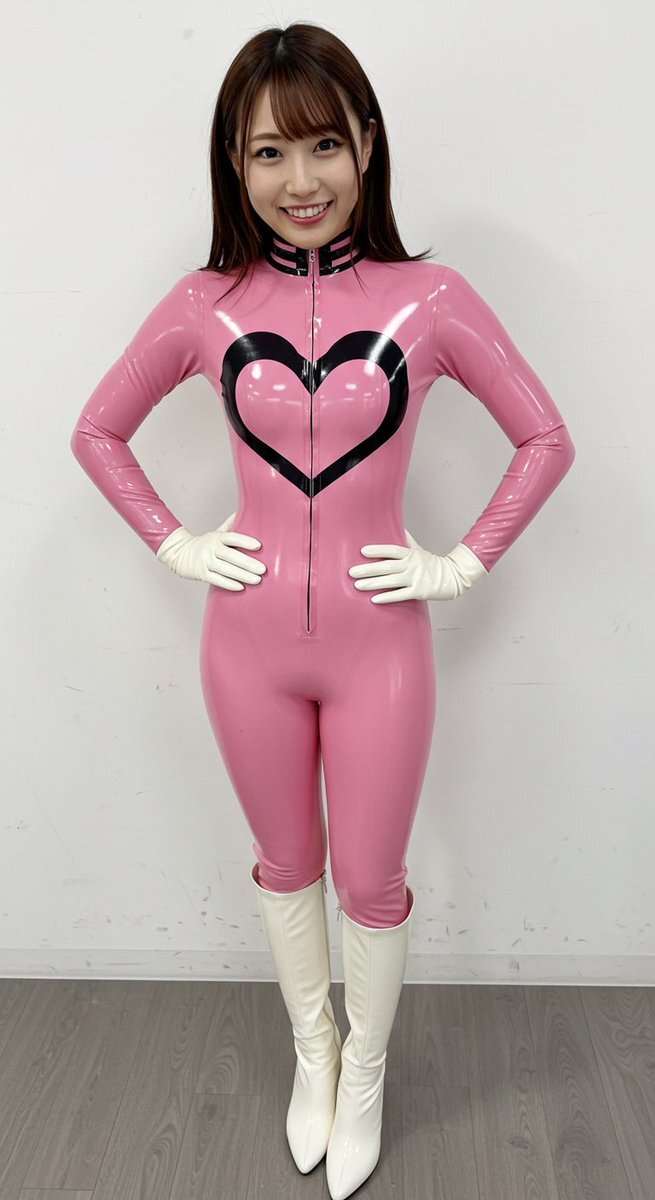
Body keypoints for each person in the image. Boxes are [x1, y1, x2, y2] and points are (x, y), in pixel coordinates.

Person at [69, 21, 575, 1200]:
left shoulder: (431, 297)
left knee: (373, 882)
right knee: (284, 862)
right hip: (244, 647)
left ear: (367, 144)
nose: (300, 181)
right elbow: (96, 431)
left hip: (378, 646)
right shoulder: (204, 303)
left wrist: (461, 565)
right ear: (233, 164)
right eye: (268, 153)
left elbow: (546, 438)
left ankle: (366, 1076)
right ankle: (314, 1053)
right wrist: (178, 543)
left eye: (323, 146)